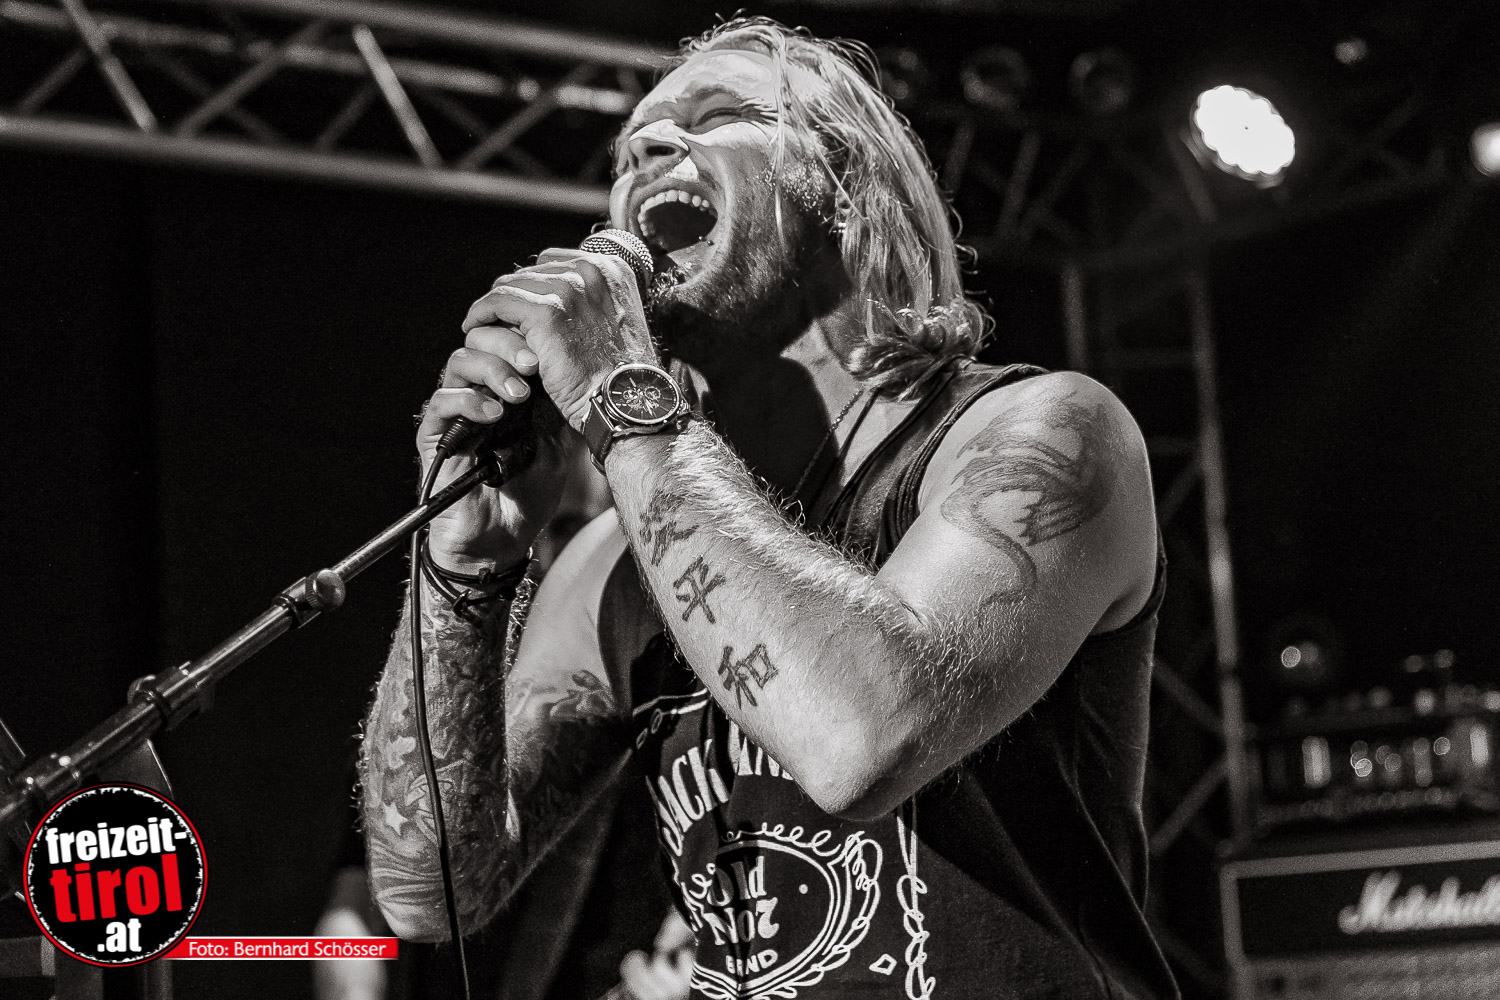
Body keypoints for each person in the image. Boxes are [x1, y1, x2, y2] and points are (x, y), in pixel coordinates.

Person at [359, 16, 1177, 1000]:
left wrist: (622, 394)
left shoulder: (1039, 436)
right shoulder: (614, 566)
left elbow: (858, 742)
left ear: (850, 186)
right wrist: (463, 570)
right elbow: (430, 891)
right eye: (630, 150)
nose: (650, 147)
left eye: (716, 115)